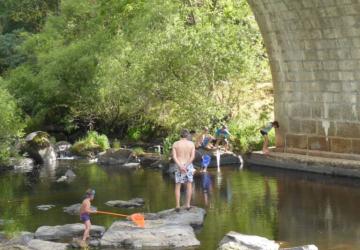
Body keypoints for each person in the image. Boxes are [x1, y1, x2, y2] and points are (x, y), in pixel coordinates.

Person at [172, 129, 195, 211]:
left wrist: (180, 166)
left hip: (179, 165)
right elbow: (192, 157)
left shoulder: (175, 144)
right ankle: (188, 205)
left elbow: (174, 157)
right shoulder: (191, 144)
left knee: (178, 185)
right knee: (189, 185)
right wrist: (186, 166)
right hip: (188, 166)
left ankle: (177, 206)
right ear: (187, 135)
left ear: (180, 135)